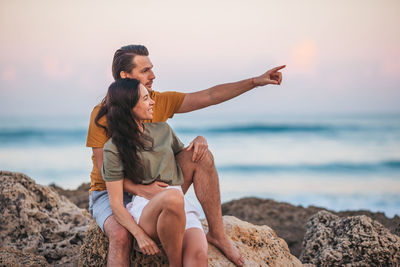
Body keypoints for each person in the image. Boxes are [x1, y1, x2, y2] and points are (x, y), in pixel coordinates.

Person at [86, 44, 284, 266]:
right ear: (125, 76)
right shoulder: (103, 115)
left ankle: (217, 233)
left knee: (202, 156)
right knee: (121, 236)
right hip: (112, 190)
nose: (153, 75)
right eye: (145, 71)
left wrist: (255, 82)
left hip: (157, 187)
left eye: (151, 68)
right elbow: (106, 173)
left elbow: (209, 95)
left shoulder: (156, 101)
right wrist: (141, 190)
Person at [102, 78, 207, 266]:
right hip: (146, 212)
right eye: (145, 99)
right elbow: (116, 204)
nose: (152, 102)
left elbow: (184, 156)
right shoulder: (113, 147)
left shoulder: (163, 130)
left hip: (179, 209)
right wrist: (140, 235)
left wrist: (199, 139)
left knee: (199, 257)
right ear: (129, 106)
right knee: (173, 197)